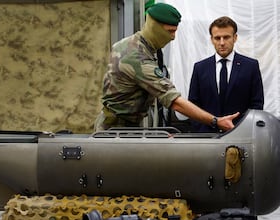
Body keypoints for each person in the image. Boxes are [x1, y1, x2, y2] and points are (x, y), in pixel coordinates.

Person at [94, 3, 239, 132]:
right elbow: (174, 101)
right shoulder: (136, 56)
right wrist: (215, 121)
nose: (173, 37)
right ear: (155, 28)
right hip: (115, 132)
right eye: (170, 31)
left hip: (127, 128)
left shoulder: (139, 46)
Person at [188, 16, 264, 132]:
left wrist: (243, 131)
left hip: (240, 135)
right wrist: (202, 130)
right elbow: (193, 104)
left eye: (226, 37)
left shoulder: (250, 66)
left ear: (235, 38)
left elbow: (256, 105)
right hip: (207, 137)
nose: (222, 42)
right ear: (211, 39)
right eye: (217, 38)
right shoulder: (200, 68)